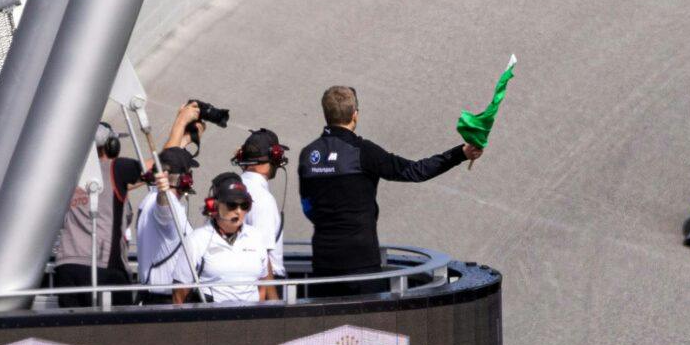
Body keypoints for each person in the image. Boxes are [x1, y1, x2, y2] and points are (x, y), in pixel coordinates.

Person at [297, 85, 481, 294]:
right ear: (355, 115)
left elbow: (307, 207)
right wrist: (461, 153)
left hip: (323, 263)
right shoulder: (364, 152)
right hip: (362, 265)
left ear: (325, 114)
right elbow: (415, 171)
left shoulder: (308, 155)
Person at [49, 122, 143, 306]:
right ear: (110, 145)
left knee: (71, 333)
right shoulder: (115, 168)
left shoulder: (67, 174)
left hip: (66, 266)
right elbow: (154, 169)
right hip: (104, 267)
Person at [182, 173, 277, 304]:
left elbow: (263, 283)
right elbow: (180, 294)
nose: (238, 211)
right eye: (232, 205)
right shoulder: (196, 240)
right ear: (214, 206)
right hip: (212, 320)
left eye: (245, 205)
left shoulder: (257, 236)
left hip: (251, 319)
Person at [133, 146, 201, 301]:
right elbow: (164, 211)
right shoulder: (166, 203)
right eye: (189, 174)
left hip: (157, 296)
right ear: (183, 178)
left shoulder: (148, 199)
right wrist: (164, 193)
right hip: (165, 300)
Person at [232, 127, 288, 283]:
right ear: (274, 156)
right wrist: (272, 300)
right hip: (262, 283)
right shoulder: (264, 199)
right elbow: (262, 257)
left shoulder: (229, 188)